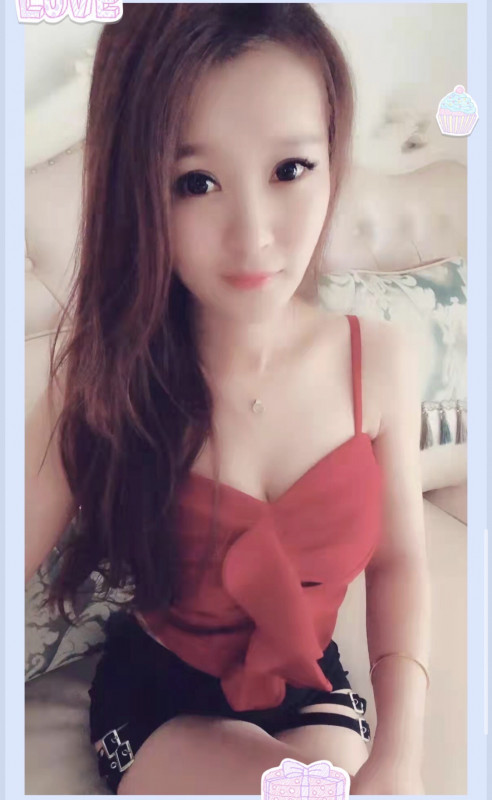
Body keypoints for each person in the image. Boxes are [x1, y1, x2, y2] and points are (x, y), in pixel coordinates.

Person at [25, 3, 431, 796]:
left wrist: (402, 755)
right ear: (140, 191)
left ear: (333, 157)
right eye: (197, 182)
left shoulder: (381, 362)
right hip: (159, 701)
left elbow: (399, 562)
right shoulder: (104, 375)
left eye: (290, 169)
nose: (253, 237)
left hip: (307, 685)